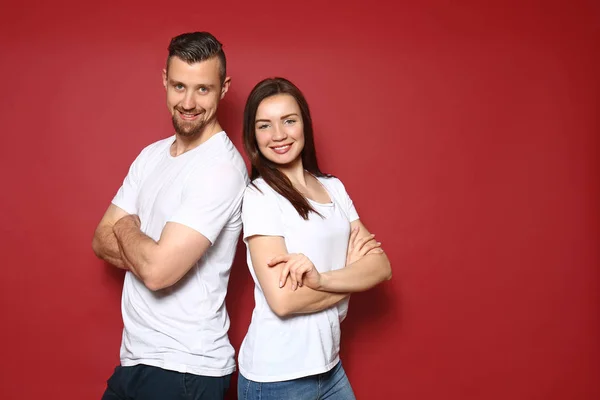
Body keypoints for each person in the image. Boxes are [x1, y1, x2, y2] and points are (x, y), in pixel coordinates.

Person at [92, 31, 248, 400]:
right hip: (136, 358)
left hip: (186, 368)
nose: (189, 102)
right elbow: (100, 240)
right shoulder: (151, 157)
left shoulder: (220, 169)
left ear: (224, 88)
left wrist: (128, 225)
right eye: (179, 86)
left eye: (203, 89)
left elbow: (158, 272)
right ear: (164, 80)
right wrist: (150, 254)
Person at [238, 77, 392, 399]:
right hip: (277, 377)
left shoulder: (333, 188)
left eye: (288, 121)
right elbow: (283, 302)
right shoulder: (260, 196)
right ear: (253, 135)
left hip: (330, 367)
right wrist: (352, 278)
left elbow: (380, 267)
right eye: (265, 125)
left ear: (304, 125)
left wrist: (319, 280)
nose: (278, 135)